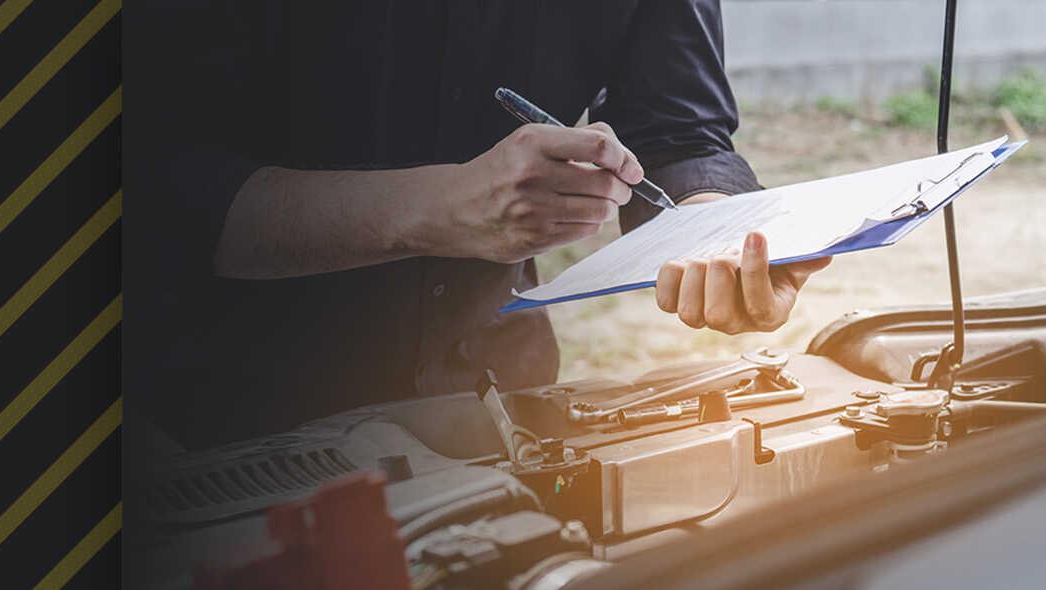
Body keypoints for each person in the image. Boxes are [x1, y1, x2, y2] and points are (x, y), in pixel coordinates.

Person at [125, 0, 827, 447]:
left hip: (497, 406)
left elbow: (677, 131)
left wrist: (712, 226)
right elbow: (160, 189)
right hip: (219, 428)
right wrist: (443, 209)